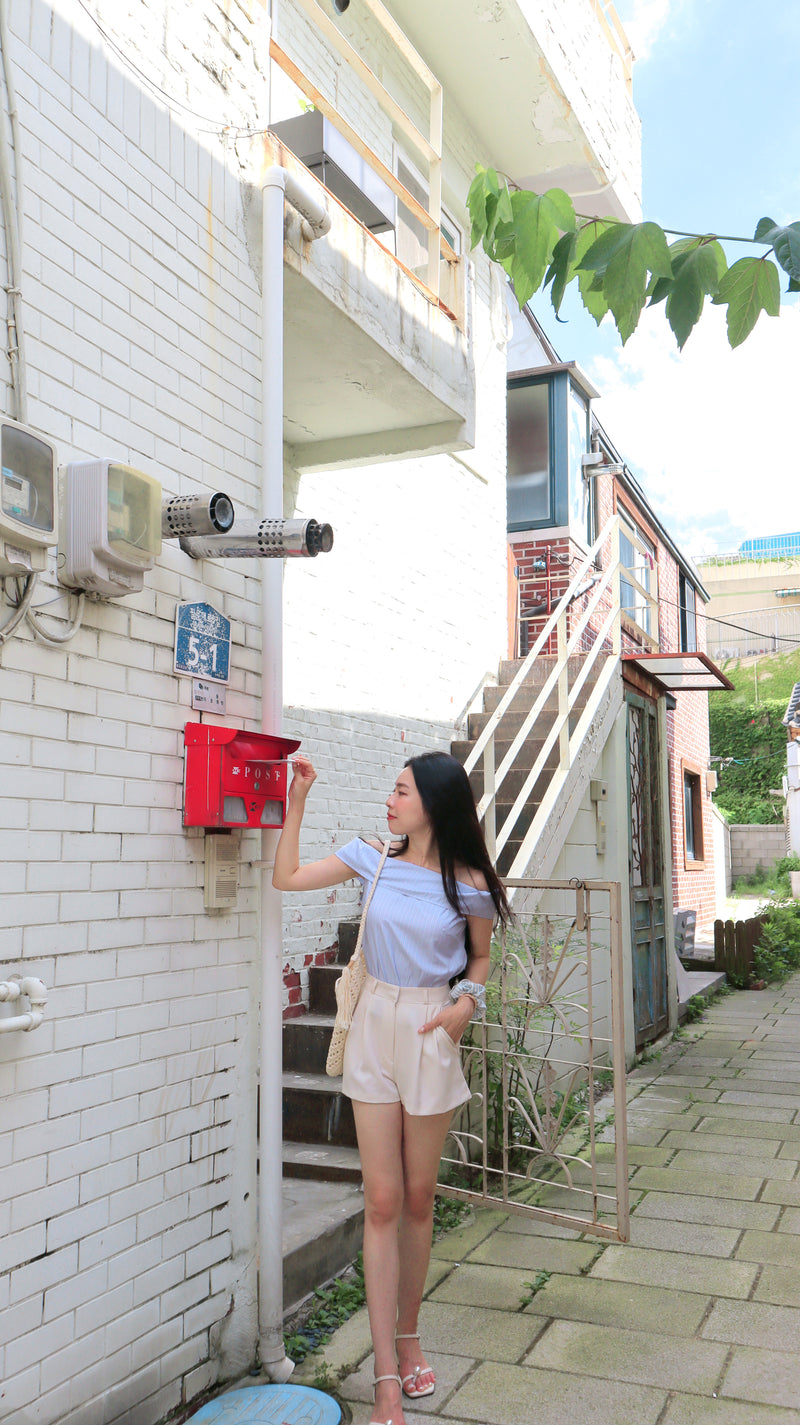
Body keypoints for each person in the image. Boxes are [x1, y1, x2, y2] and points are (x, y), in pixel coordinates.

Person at [273, 749, 510, 1425]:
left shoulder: (468, 881)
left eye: (400, 790)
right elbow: (286, 877)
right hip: (374, 1021)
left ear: (434, 801)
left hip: (431, 1026)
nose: (389, 799)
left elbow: (482, 957)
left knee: (414, 1197)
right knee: (379, 1199)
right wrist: (299, 800)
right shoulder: (371, 857)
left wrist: (467, 1003)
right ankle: (384, 1372)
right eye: (390, 790)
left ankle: (410, 1335)